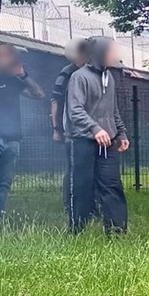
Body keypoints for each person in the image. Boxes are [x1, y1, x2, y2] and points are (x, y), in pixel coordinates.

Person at [64, 37, 129, 234]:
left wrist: (121, 133)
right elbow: (75, 110)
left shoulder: (110, 77)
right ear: (100, 53)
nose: (116, 56)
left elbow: (113, 110)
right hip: (83, 140)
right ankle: (77, 230)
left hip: (108, 142)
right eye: (112, 52)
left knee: (112, 185)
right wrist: (95, 129)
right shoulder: (79, 77)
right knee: (82, 186)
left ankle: (117, 231)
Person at [0, 44, 45, 222]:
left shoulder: (13, 80)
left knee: (4, 183)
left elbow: (39, 94)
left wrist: (23, 75)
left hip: (13, 140)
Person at [52, 38, 91, 211]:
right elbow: (56, 100)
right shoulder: (67, 73)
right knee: (74, 168)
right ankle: (71, 205)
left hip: (92, 130)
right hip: (73, 131)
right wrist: (57, 128)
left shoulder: (94, 73)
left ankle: (90, 205)